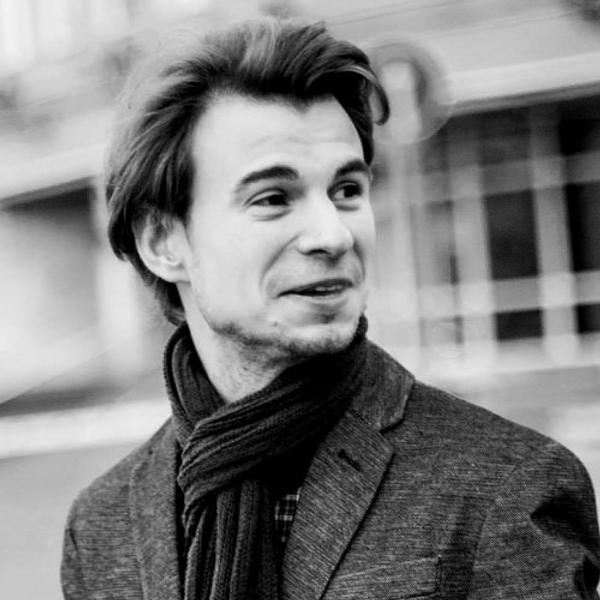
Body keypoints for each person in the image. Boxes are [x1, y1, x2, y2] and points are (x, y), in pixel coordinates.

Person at [61, 17, 600, 600]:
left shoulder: (505, 488)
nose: (333, 235)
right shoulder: (102, 526)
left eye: (347, 191)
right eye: (273, 198)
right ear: (162, 242)